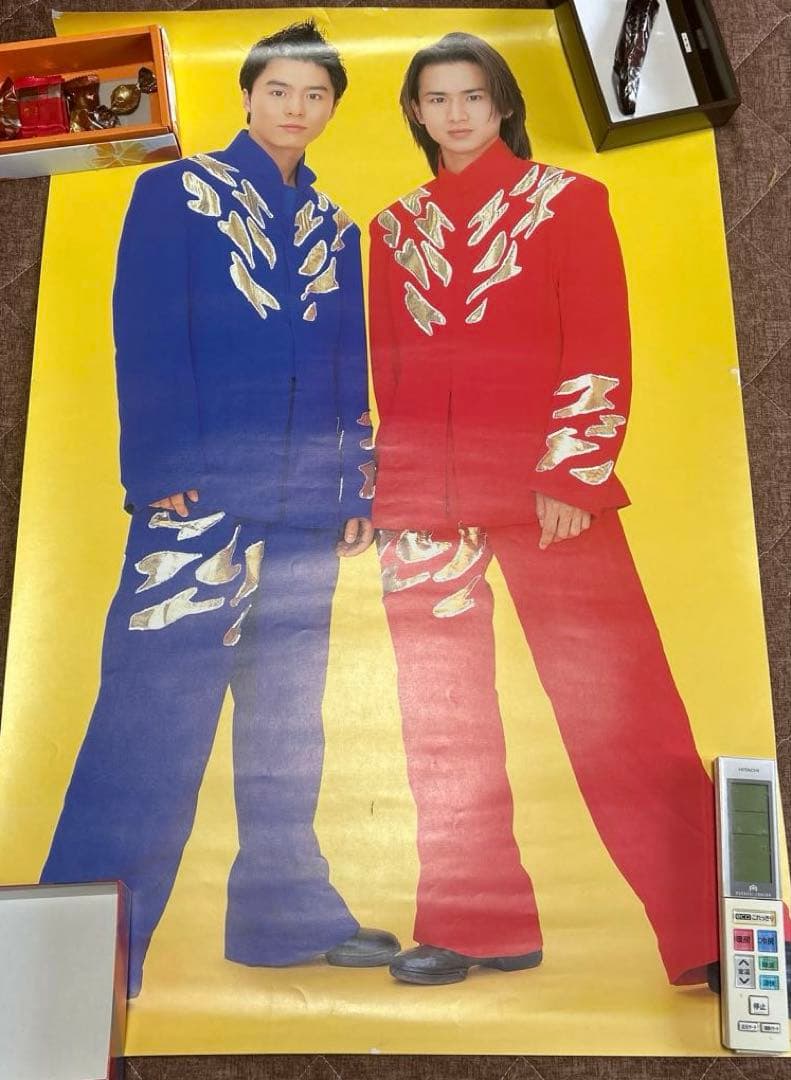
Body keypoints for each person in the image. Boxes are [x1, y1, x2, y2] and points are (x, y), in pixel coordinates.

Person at [368, 31, 791, 988]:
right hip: (426, 503)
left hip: (547, 490)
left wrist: (573, 472)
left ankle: (710, 934)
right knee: (443, 718)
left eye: (472, 96)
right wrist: (390, 494)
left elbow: (598, 338)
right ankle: (473, 927)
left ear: (502, 104)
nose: (455, 114)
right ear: (416, 113)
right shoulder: (392, 229)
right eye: (435, 99)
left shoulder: (566, 200)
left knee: (619, 709)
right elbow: (389, 373)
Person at [42, 20, 397, 997]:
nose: (295, 108)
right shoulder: (176, 193)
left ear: (331, 109)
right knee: (152, 716)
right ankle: (77, 953)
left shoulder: (335, 228)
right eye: (279, 90)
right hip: (197, 494)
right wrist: (159, 460)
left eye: (315, 95)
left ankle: (285, 916)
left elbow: (347, 365)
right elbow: (146, 331)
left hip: (303, 504)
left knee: (287, 719)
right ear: (247, 96)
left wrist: (353, 483)